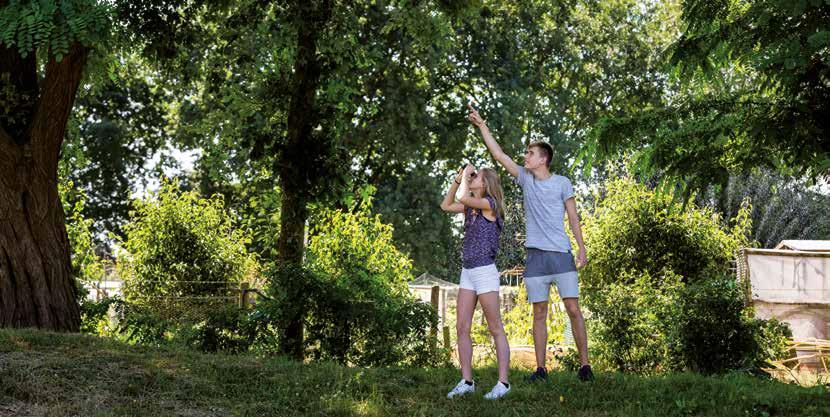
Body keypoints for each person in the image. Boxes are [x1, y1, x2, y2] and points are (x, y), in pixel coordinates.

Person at [467, 103, 594, 382]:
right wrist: (482, 126)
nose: (525, 156)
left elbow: (573, 218)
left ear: (543, 159)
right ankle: (540, 370)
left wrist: (581, 248)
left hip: (561, 255)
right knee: (539, 312)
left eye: (530, 153)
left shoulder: (563, 182)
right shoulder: (525, 180)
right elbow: (499, 155)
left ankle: (585, 366)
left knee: (573, 309)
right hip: (535, 257)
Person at [440, 163, 511, 399]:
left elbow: (464, 197)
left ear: (486, 183)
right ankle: (467, 381)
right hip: (468, 271)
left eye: (476, 176)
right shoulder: (469, 207)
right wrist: (458, 178)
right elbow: (446, 204)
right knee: (462, 327)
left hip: (485, 272)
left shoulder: (490, 204)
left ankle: (503, 384)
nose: (473, 178)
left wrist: (466, 173)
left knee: (495, 328)